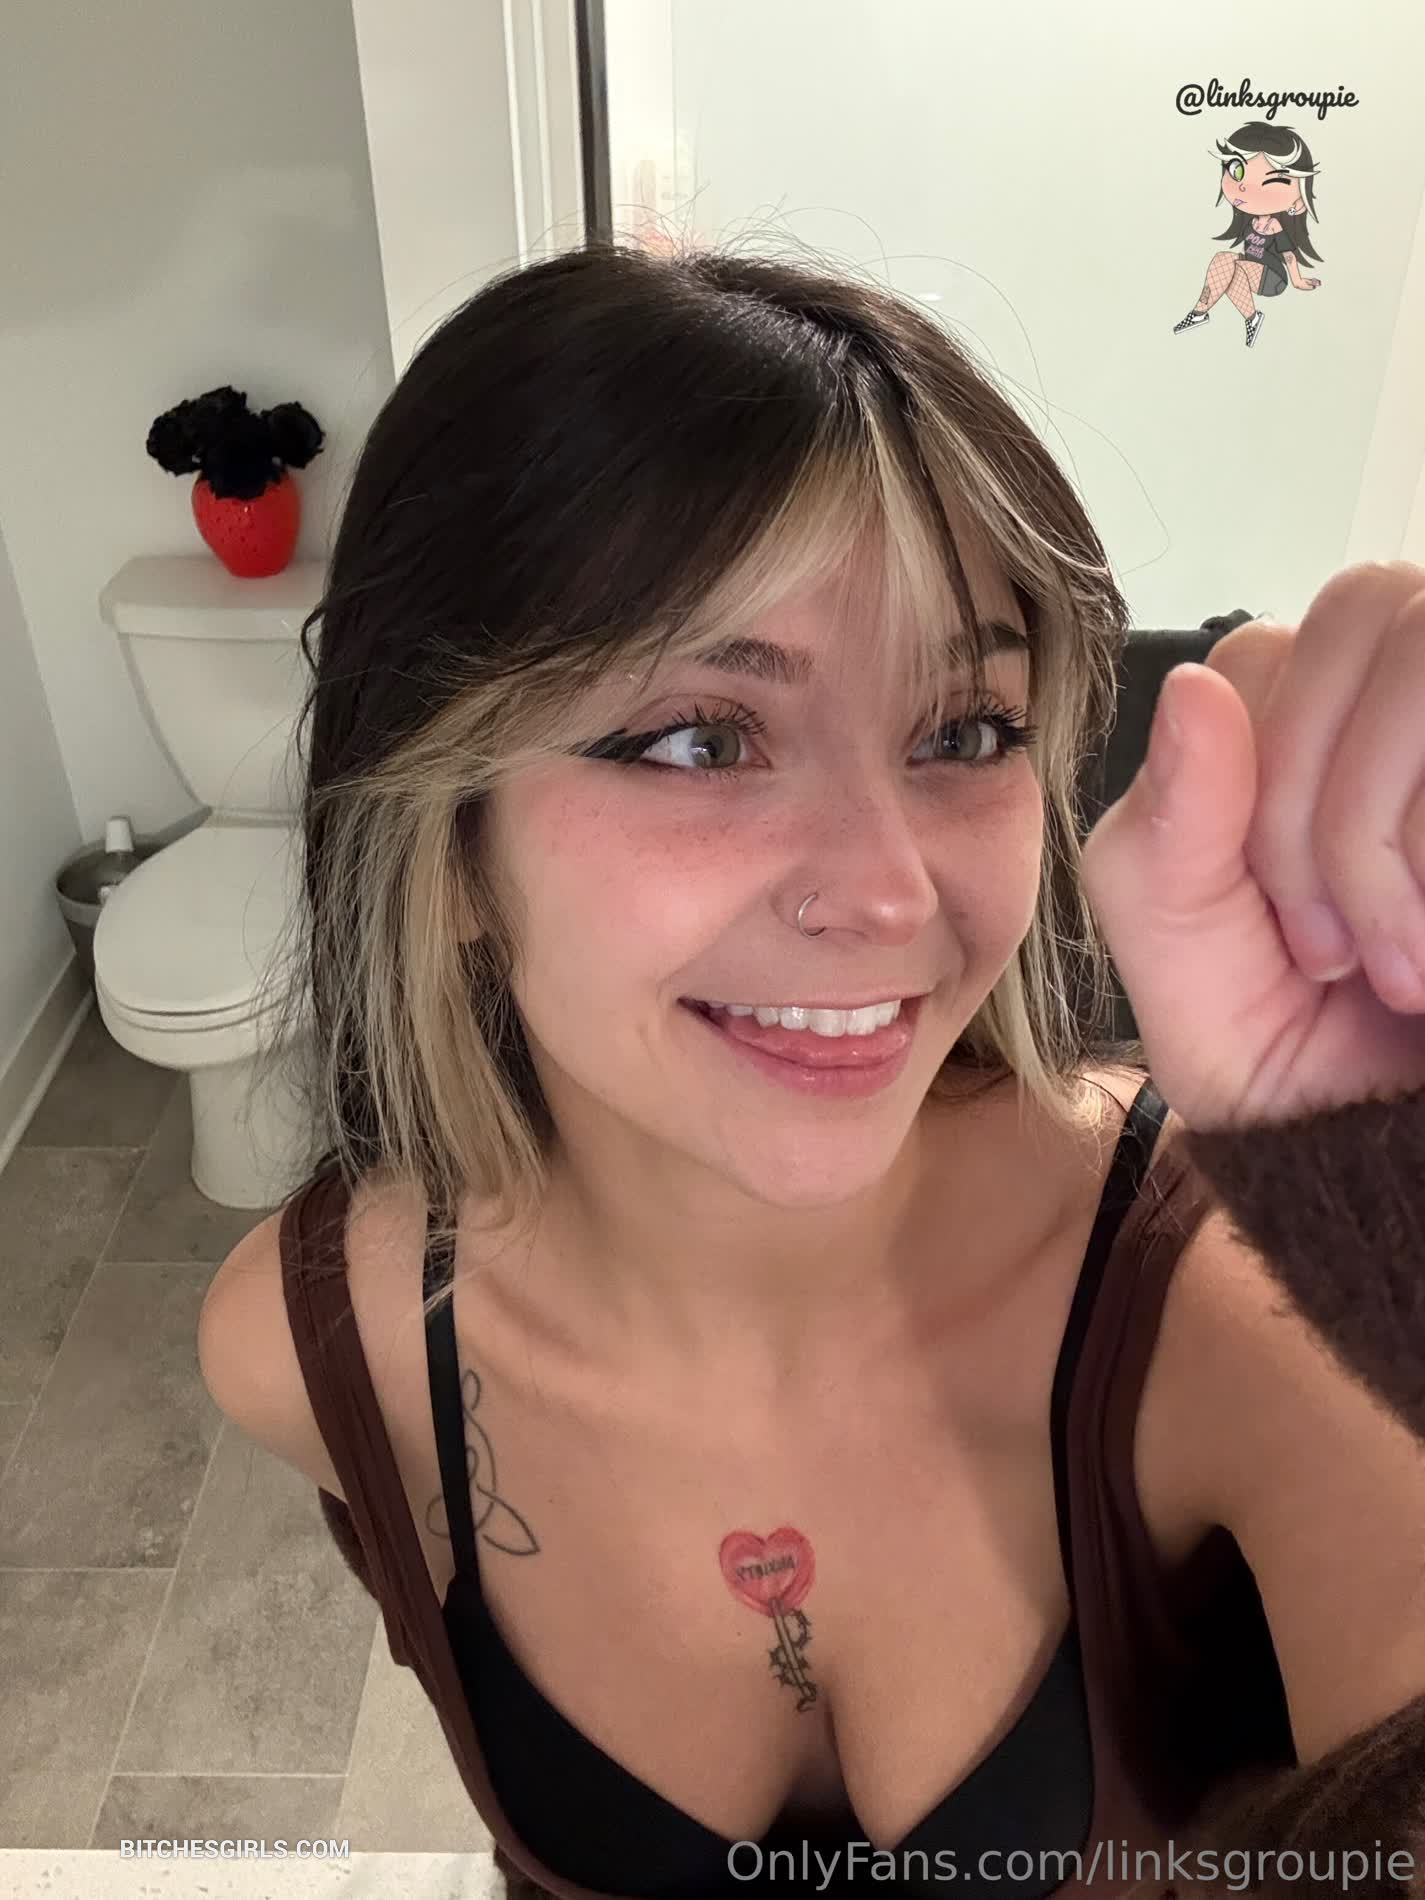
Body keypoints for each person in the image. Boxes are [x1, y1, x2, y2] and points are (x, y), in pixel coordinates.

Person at [198, 243, 1425, 1900]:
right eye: (699, 739)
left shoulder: (1251, 1306)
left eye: (962, 732)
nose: (891, 893)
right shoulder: (308, 1350)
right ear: (451, 844)